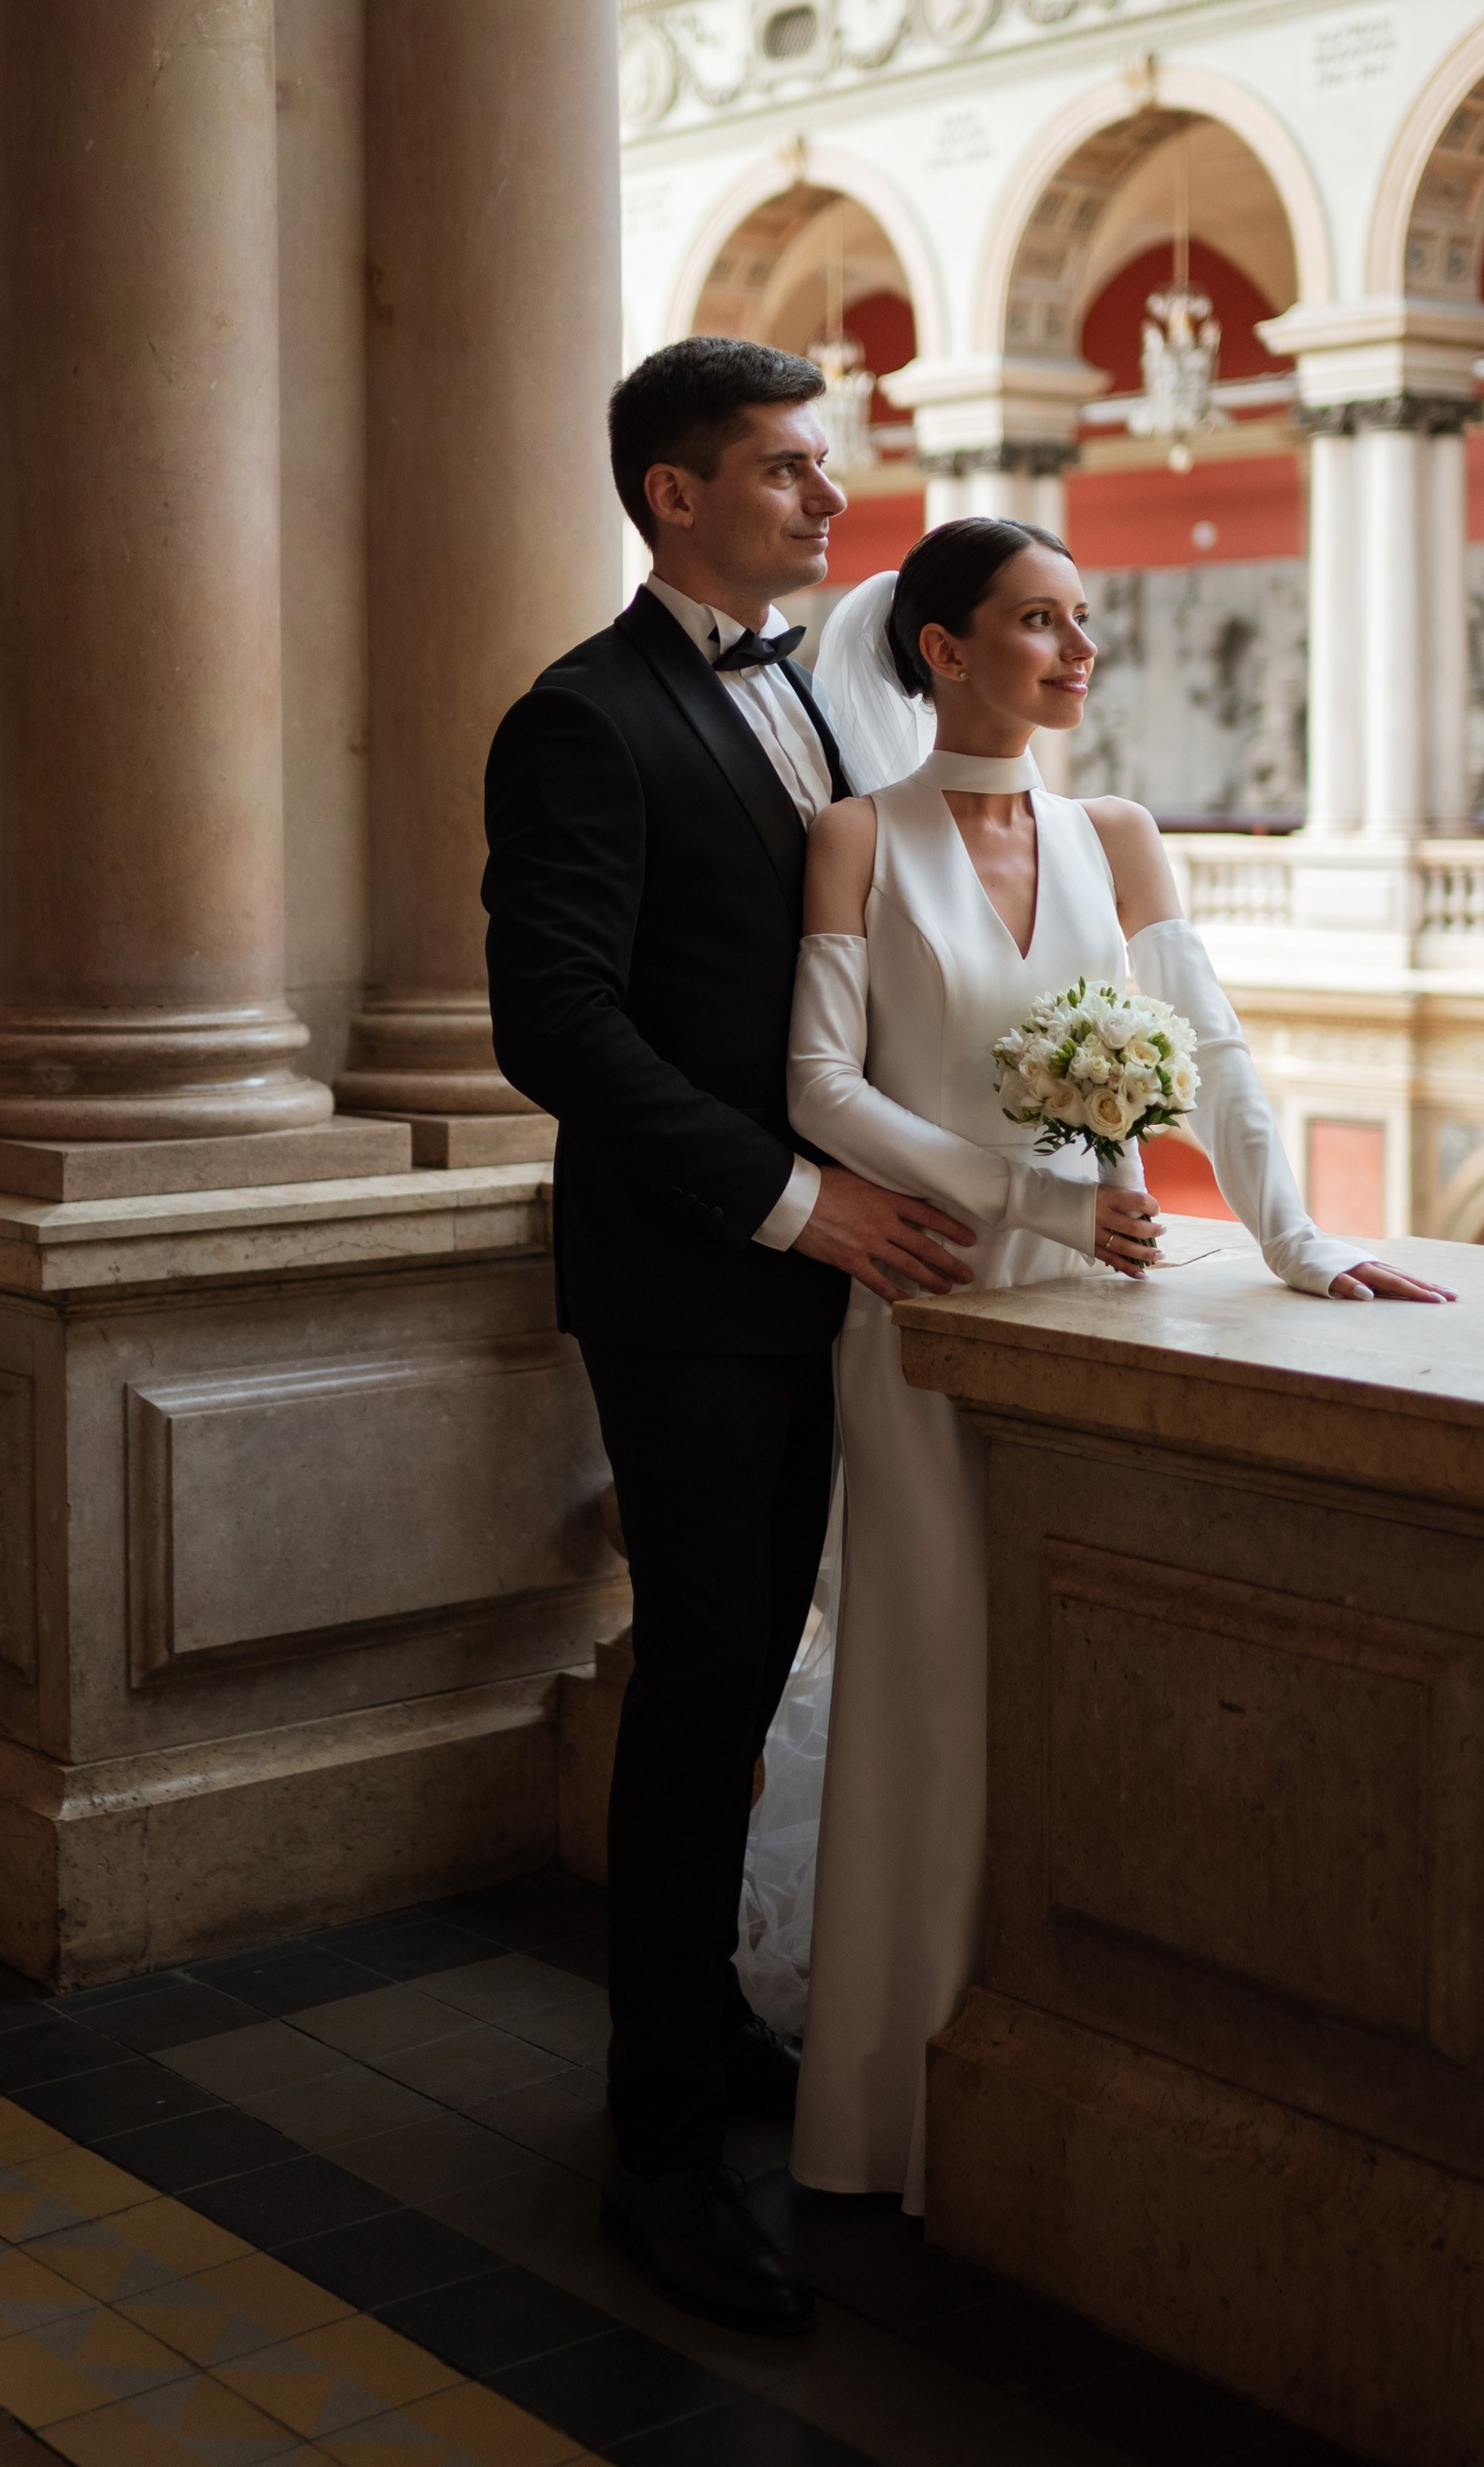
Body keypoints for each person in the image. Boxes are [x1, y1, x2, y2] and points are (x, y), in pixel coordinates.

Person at [788, 521, 1455, 2214]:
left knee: (1076, 1701)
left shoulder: (1119, 836)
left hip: (1099, 1311)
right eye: (1040, 621)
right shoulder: (857, 837)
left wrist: (1301, 1240)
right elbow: (818, 1086)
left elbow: (1211, 1058)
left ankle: (1062, 2090)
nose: (1080, 649)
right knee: (929, 1690)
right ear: (943, 650)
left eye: (1084, 619)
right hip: (929, 1304)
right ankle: (888, 2115)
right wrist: (1032, 1198)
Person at [482, 338, 980, 2338]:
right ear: (673, 494)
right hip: (697, 1287)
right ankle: (661, 2152)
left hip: (832, 1283)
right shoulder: (581, 717)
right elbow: (557, 1025)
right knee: (702, 1692)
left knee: (765, 1669)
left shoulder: (835, 696)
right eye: (784, 467)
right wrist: (797, 1200)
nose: (827, 497)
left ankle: (712, 2030)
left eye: (823, 463)